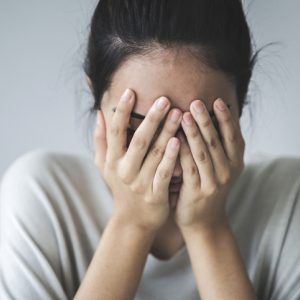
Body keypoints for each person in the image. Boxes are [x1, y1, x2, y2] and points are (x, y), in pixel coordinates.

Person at [1, 0, 300, 299]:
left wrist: (208, 229)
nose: (175, 165)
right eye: (141, 130)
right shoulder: (40, 199)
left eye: (200, 129)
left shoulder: (288, 200)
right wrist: (132, 223)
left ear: (240, 101)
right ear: (96, 97)